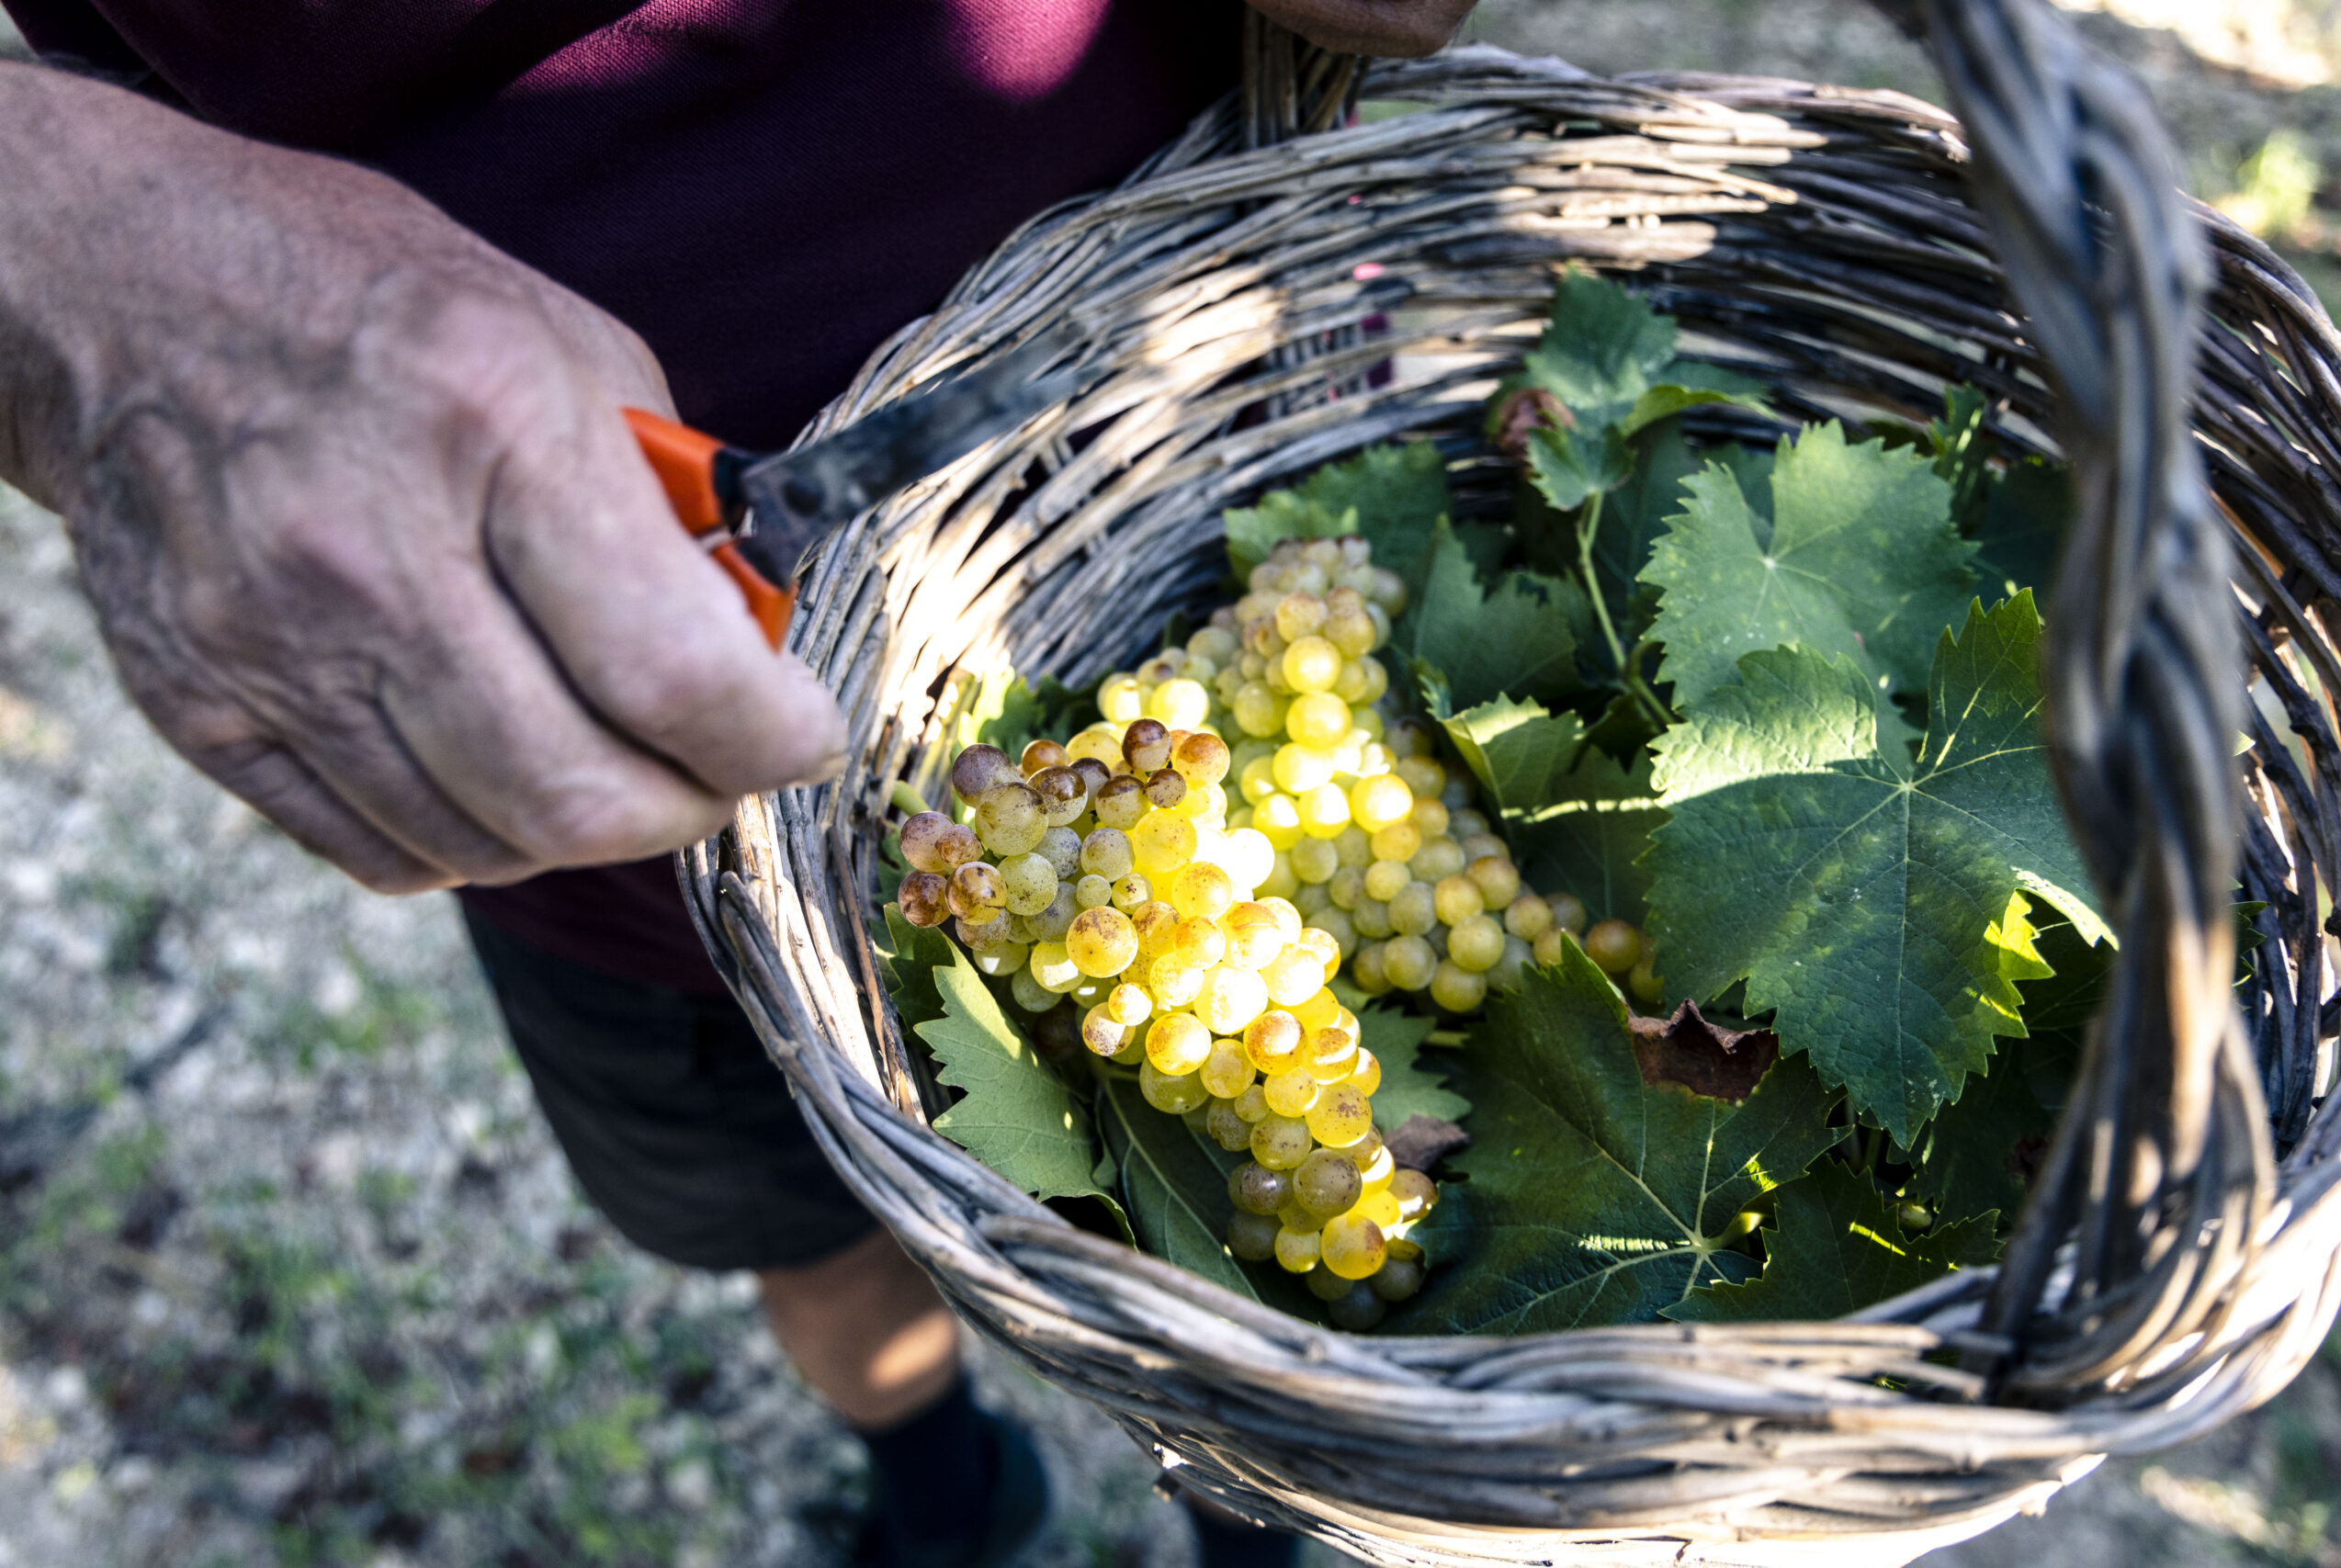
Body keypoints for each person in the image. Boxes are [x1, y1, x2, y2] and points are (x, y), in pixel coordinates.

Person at [0, 1, 1477, 1562]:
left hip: (1198, 473)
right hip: (581, 746)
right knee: (802, 1232)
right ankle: (948, 1502)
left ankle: (1257, 1527)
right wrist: (75, 245)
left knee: (1242, 1272)